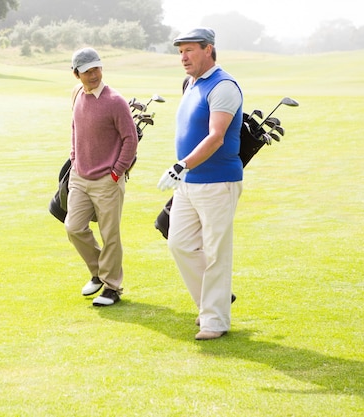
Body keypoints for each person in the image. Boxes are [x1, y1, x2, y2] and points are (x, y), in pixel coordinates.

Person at [157, 28, 243, 339]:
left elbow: (216, 137)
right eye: (180, 51)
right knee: (178, 243)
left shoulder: (223, 86)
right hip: (188, 182)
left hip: (218, 181)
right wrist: (184, 170)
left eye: (189, 50)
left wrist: (181, 165)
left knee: (217, 251)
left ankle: (215, 320)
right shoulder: (191, 83)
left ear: (208, 49)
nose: (183, 57)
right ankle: (212, 302)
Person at [65, 47, 138, 306]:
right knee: (73, 227)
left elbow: (131, 138)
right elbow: (75, 128)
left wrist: (117, 172)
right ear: (77, 75)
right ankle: (98, 272)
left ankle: (112, 287)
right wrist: (74, 160)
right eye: (87, 71)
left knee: (110, 235)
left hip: (108, 180)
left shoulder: (115, 101)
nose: (93, 74)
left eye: (96, 68)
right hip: (80, 177)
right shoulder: (76, 94)